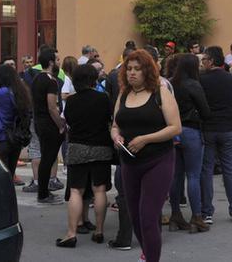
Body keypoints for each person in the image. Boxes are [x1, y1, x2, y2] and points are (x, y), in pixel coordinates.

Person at [111, 49, 181, 261]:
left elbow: (175, 128)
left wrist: (145, 139)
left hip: (158, 160)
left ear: (147, 71)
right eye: (129, 68)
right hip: (129, 163)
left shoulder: (161, 93)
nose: (132, 73)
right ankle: (147, 253)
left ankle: (151, 258)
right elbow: (115, 125)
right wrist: (116, 136)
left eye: (137, 69)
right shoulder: (124, 94)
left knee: (149, 217)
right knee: (135, 217)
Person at [57, 64, 113, 248]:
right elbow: (109, 120)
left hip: (78, 147)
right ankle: (99, 231)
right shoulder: (103, 99)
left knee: (75, 191)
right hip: (101, 147)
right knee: (99, 190)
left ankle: (71, 233)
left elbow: (68, 122)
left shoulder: (71, 101)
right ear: (93, 79)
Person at [199, 46, 232, 223]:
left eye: (204, 60)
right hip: (228, 128)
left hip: (209, 128)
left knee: (206, 171)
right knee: (230, 171)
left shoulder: (202, 80)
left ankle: (207, 212)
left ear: (210, 60)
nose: (202, 63)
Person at [168, 53, 210, 233]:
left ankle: (175, 215)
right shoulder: (194, 84)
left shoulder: (169, 84)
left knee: (176, 176)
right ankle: (196, 217)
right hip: (191, 131)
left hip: (172, 132)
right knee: (193, 175)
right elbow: (205, 111)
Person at [32, 48, 66, 205]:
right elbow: (52, 107)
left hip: (39, 123)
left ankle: (43, 191)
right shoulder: (51, 81)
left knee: (45, 157)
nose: (59, 62)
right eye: (57, 60)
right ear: (51, 62)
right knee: (48, 158)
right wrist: (60, 125)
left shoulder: (37, 78)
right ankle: (44, 193)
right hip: (49, 125)